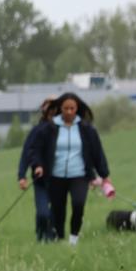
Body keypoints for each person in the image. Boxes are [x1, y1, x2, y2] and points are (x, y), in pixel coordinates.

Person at [33, 92, 113, 246]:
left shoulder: (86, 129)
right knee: (58, 209)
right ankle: (59, 237)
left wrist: (104, 175)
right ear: (60, 109)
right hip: (56, 175)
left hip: (79, 174)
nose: (69, 112)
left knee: (78, 204)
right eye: (66, 108)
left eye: (72, 108)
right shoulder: (50, 128)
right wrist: (38, 165)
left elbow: (97, 152)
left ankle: (73, 238)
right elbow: (37, 149)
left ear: (77, 109)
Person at [18, 98, 57, 242]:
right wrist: (22, 176)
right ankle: (40, 235)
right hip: (40, 180)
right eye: (49, 109)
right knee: (43, 213)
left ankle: (51, 238)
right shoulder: (37, 131)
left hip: (60, 179)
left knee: (55, 212)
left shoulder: (65, 130)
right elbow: (27, 152)